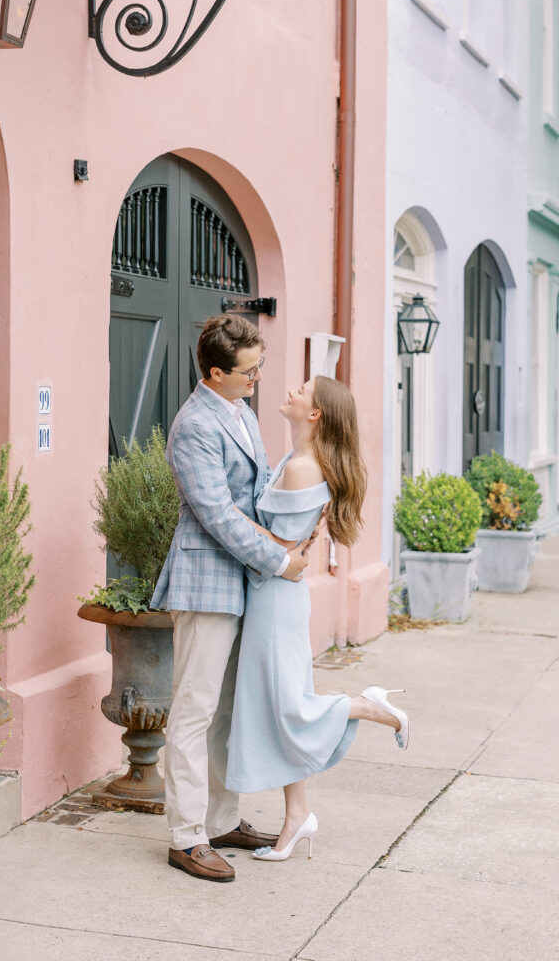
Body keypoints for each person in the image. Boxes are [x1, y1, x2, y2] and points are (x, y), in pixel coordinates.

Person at [150, 315, 313, 884]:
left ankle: (220, 820)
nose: (258, 379)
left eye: (260, 366)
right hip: (204, 583)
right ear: (215, 372)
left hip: (241, 582)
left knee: (224, 711)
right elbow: (217, 514)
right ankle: (186, 838)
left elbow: (258, 490)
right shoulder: (195, 425)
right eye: (249, 371)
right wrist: (279, 559)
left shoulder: (239, 412)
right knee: (193, 712)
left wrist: (296, 527)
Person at [225, 375, 410, 862]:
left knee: (288, 708)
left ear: (315, 415)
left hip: (275, 598)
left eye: (302, 391)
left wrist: (219, 513)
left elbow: (279, 550)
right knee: (280, 708)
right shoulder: (296, 460)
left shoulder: (304, 467)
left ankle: (366, 707)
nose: (291, 391)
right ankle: (296, 815)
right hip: (275, 596)